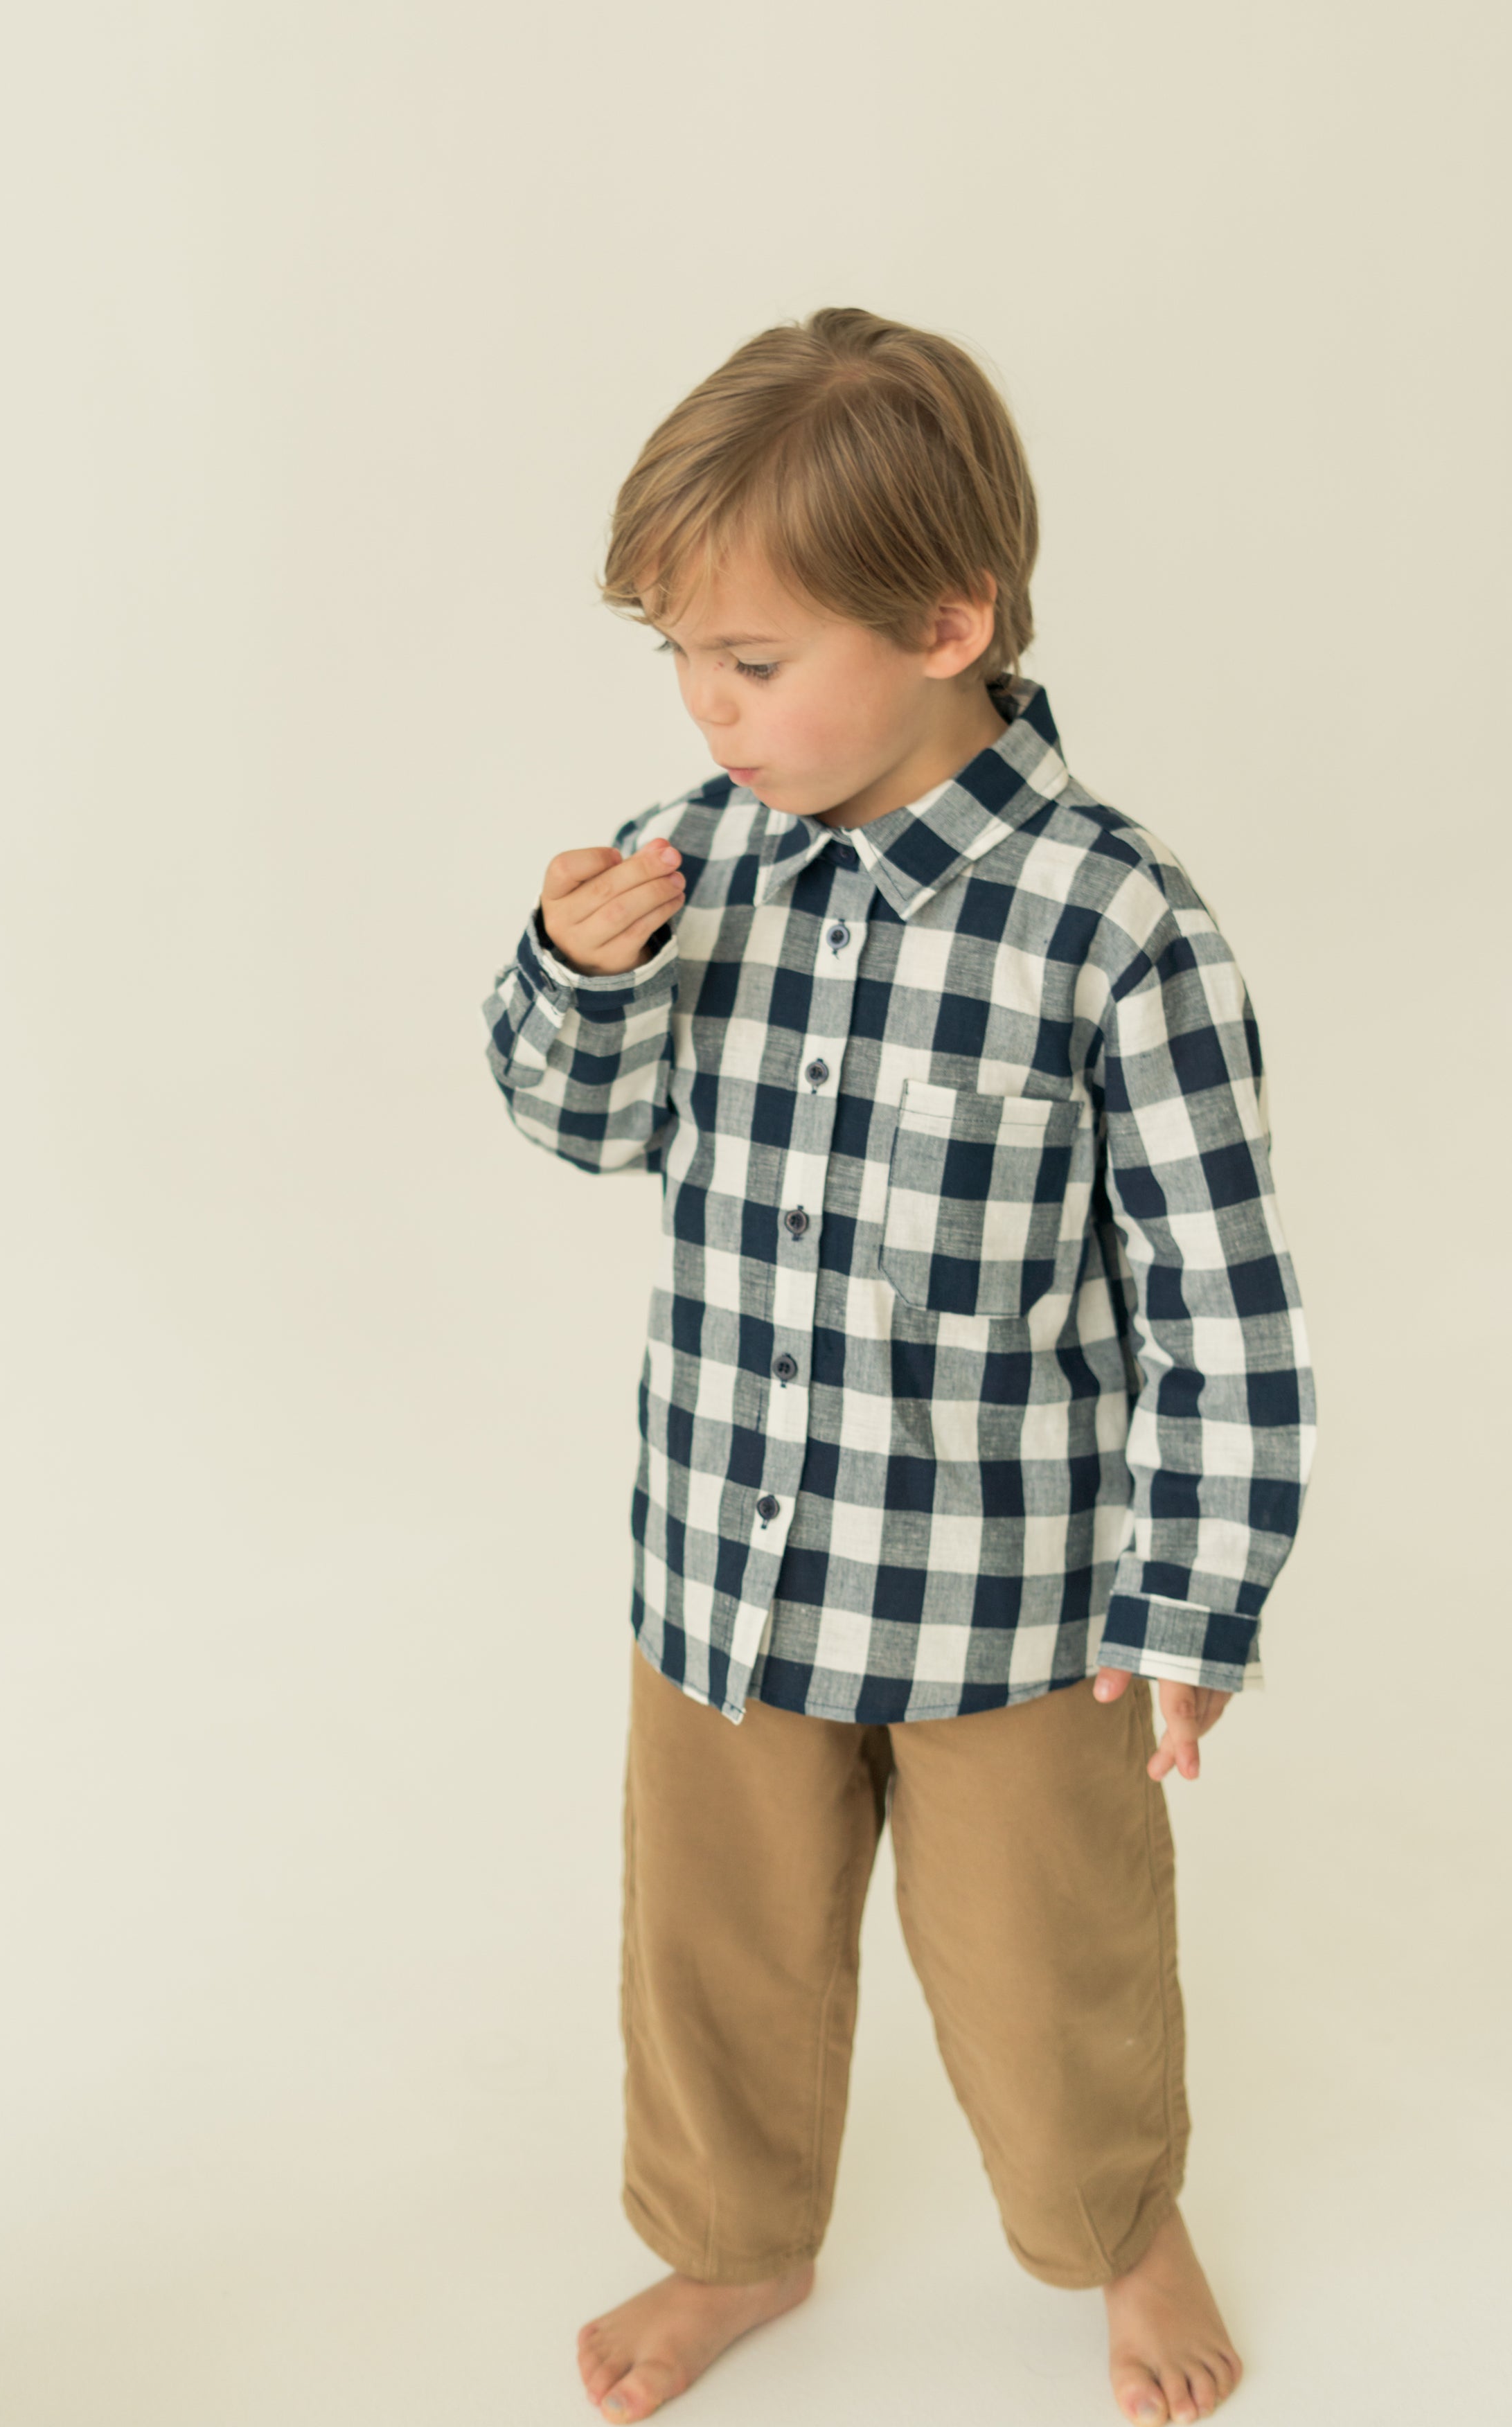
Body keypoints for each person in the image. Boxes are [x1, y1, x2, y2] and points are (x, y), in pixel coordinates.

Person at [483, 310, 1314, 2427]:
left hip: (1011, 1606)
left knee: (1054, 1976)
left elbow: (1219, 1301)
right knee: (714, 1956)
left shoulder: (1115, 925)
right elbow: (583, 1129)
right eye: (678, 656)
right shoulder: (704, 855)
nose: (705, 708)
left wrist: (1196, 1598)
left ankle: (1123, 2224)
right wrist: (584, 972)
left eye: (751, 664)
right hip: (727, 1567)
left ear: (949, 622)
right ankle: (735, 2237)